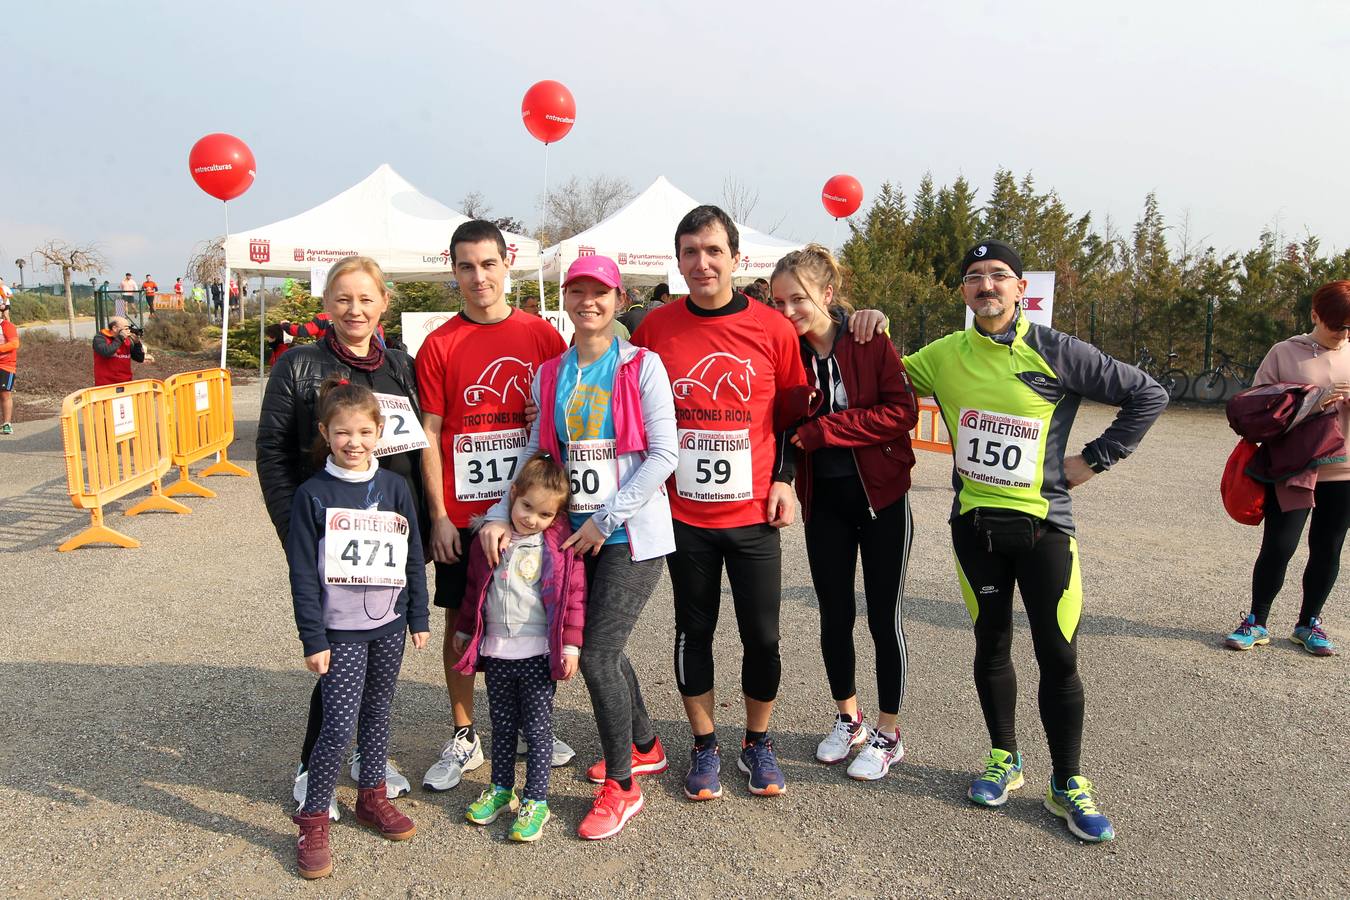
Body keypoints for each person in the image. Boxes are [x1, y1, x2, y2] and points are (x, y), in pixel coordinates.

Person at [901, 239, 1167, 843]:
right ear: (964, 292)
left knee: (1059, 655)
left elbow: (1147, 393)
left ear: (1022, 289)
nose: (986, 286)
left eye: (999, 276)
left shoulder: (1056, 351)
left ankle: (1068, 782)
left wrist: (1095, 459)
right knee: (990, 645)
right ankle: (1004, 759)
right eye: (974, 277)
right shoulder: (943, 355)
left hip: (1046, 530)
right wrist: (856, 324)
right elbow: (879, 376)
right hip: (975, 530)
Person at [479, 255, 678, 839]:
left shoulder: (643, 366)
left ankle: (622, 787)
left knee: (595, 654)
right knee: (606, 651)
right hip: (571, 536)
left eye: (601, 293)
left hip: (630, 536)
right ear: (565, 298)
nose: (588, 301)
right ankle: (644, 745)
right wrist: (497, 514)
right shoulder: (551, 373)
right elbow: (536, 458)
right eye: (578, 291)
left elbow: (663, 456)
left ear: (619, 301)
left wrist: (605, 519)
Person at [257, 255, 429, 819]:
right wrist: (295, 534)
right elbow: (274, 453)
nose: (355, 310)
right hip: (329, 534)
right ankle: (314, 768)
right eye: (343, 299)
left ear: (384, 303)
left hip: (390, 534)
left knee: (377, 658)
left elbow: (418, 448)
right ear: (327, 304)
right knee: (336, 658)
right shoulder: (298, 366)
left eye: (366, 298)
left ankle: (369, 767)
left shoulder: (400, 365)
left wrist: (422, 529)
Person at [414, 220, 571, 792]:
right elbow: (429, 433)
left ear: (509, 263)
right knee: (462, 622)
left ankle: (534, 724)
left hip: (531, 515)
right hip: (465, 513)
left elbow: (566, 417)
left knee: (534, 618)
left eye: (487, 264)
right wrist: (437, 516)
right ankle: (464, 733)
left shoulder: (542, 337)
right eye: (465, 266)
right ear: (453, 271)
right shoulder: (439, 344)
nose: (478, 277)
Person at [771, 244, 918, 781]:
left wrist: (826, 430)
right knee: (835, 616)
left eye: (798, 300)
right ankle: (848, 718)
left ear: (827, 296)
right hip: (824, 502)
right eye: (778, 301)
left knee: (883, 617)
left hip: (881, 499)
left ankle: (888, 731)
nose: (787, 312)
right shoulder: (784, 352)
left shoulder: (868, 338)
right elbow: (782, 424)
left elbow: (901, 413)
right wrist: (787, 471)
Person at [286, 377, 430, 879]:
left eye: (365, 432)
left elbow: (412, 555)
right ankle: (312, 819)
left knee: (378, 713)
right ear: (326, 433)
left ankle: (372, 795)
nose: (355, 442)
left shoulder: (393, 487)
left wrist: (418, 616)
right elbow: (302, 571)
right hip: (339, 629)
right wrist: (313, 637)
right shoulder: (312, 494)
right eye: (343, 432)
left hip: (388, 624)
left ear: (380, 431)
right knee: (338, 725)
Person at [454, 454, 585, 842]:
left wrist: (572, 646)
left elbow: (574, 598)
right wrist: (464, 629)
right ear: (513, 495)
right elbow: (474, 590)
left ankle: (537, 799)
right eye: (527, 507)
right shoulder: (492, 539)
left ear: (556, 516)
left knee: (539, 730)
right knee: (504, 725)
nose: (532, 519)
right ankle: (500, 789)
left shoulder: (559, 548)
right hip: (497, 650)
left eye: (545, 514)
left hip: (538, 653)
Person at [1225, 280, 1350, 656]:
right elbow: (1255, 409)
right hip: (1295, 465)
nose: (1343, 334)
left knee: (1328, 548)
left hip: (1344, 470)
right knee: (1279, 546)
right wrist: (1313, 401)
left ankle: (1309, 623)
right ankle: (1256, 621)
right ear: (1316, 315)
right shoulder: (1285, 352)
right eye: (1337, 325)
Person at [92, 317, 153, 386]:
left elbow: (140, 358)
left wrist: (137, 343)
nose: (128, 331)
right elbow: (106, 352)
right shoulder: (100, 338)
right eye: (126, 328)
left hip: (125, 384)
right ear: (114, 328)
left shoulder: (127, 340)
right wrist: (120, 338)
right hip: (105, 385)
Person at [0, 297, 18, 435]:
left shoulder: (6, 325)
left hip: (6, 366)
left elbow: (14, 344)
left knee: (5, 394)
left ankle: (6, 423)